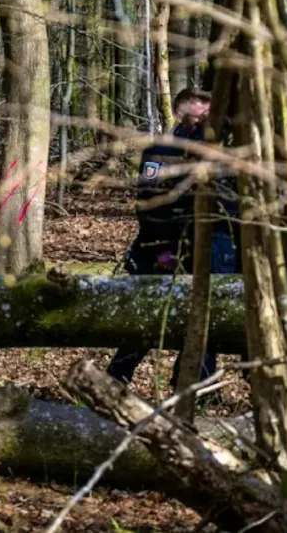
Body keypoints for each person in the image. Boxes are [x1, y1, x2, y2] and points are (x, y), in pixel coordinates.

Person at [108, 88, 241, 388]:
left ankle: (195, 384)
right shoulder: (162, 149)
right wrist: (158, 246)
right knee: (155, 312)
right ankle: (118, 375)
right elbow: (150, 199)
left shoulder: (228, 146)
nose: (208, 113)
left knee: (210, 313)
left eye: (211, 108)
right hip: (167, 244)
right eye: (201, 107)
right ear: (183, 111)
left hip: (218, 243)